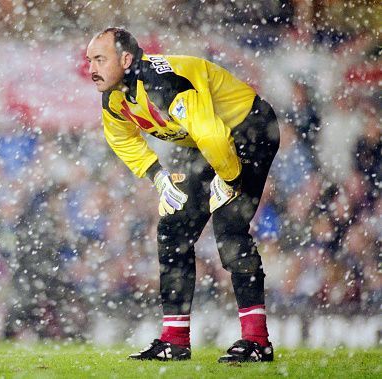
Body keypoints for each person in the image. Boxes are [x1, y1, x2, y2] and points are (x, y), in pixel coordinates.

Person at [86, 28, 280, 362]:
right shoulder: (115, 96)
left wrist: (230, 179)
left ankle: (257, 341)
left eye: (99, 59)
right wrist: (157, 176)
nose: (91, 68)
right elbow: (121, 138)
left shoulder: (163, 83)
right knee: (173, 230)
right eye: (90, 59)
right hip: (210, 142)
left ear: (127, 59)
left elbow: (212, 134)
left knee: (230, 229)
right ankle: (175, 340)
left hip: (249, 129)